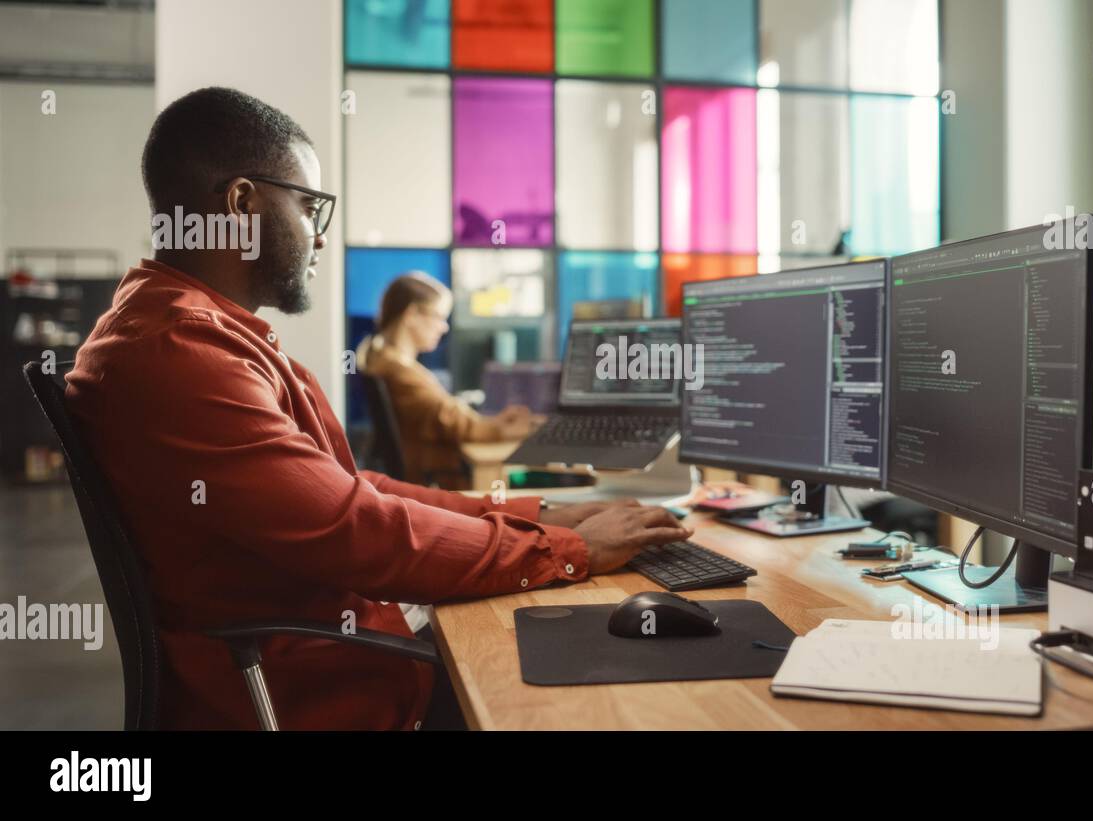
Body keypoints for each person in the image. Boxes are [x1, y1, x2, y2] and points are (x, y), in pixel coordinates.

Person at [64, 87, 689, 730]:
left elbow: (353, 490)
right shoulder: (180, 353)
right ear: (242, 203)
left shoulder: (193, 332)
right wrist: (565, 551)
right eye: (310, 208)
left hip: (330, 655)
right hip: (324, 689)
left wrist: (546, 512)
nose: (320, 238)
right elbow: (356, 530)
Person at [358, 272, 536, 487]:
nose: (444, 327)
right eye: (439, 317)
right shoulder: (397, 370)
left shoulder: (385, 358)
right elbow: (450, 420)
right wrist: (504, 430)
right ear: (412, 314)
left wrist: (494, 422)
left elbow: (445, 413)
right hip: (436, 484)